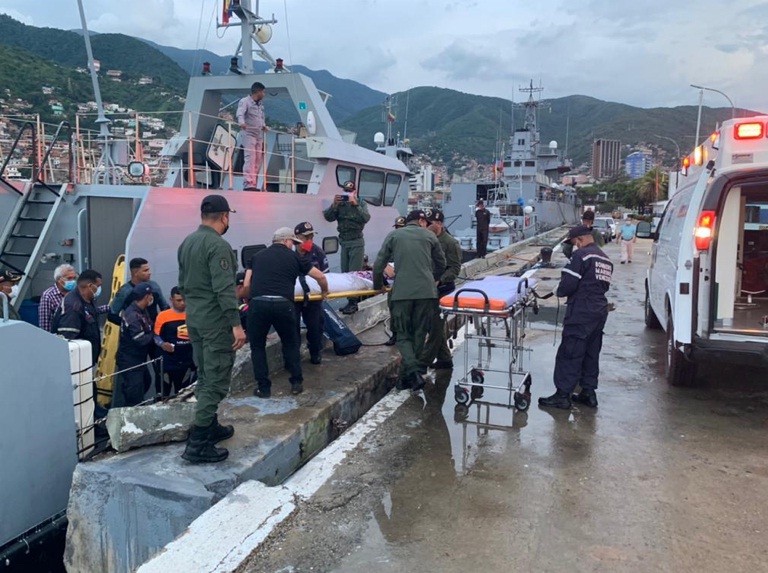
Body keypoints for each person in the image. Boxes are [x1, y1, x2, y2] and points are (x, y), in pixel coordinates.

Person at [177, 194, 246, 464]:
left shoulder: (187, 243)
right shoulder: (218, 246)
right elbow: (225, 290)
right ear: (225, 217)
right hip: (216, 323)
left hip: (195, 320)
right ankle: (198, 443)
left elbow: (183, 285)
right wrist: (236, 325)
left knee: (205, 374)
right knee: (215, 382)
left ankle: (211, 426)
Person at [244, 227, 329, 398]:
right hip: (283, 304)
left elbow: (246, 284)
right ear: (285, 241)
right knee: (291, 343)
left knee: (257, 346)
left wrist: (249, 300)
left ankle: (264, 388)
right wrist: (324, 292)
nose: (293, 245)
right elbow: (320, 276)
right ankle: (296, 383)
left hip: (258, 304)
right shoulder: (295, 257)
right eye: (292, 242)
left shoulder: (257, 256)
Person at [539, 225, 613, 409]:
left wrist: (560, 289)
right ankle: (588, 392)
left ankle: (563, 395)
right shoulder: (605, 259)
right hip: (599, 311)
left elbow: (567, 287)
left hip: (581, 311)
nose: (574, 246)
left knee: (570, 352)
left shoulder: (580, 256)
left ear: (579, 239)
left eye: (574, 243)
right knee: (590, 352)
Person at [373, 210, 446, 392]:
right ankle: (405, 380)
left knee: (404, 335)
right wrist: (431, 278)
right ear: (421, 221)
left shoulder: (395, 235)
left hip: (403, 293)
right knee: (419, 335)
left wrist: (378, 285)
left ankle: (412, 373)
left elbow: (379, 265)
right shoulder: (430, 237)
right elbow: (441, 263)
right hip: (427, 294)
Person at [420, 209, 462, 371]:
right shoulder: (424, 240)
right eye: (425, 223)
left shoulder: (450, 243)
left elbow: (455, 268)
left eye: (430, 223)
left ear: (439, 224)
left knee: (436, 328)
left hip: (442, 290)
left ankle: (422, 364)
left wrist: (440, 280)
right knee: (432, 326)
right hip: (427, 289)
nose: (427, 226)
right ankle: (445, 359)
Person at [323, 180, 371, 314]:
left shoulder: (360, 203)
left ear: (355, 192)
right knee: (345, 272)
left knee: (354, 273)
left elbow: (366, 218)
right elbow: (328, 217)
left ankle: (353, 302)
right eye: (345, 191)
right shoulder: (340, 204)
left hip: (356, 241)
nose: (347, 193)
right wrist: (334, 205)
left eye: (350, 191)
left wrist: (355, 204)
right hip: (344, 242)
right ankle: (349, 300)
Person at [293, 221, 330, 365]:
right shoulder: (289, 252)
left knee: (315, 326)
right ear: (296, 237)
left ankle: (315, 352)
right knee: (291, 327)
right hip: (294, 299)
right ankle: (293, 357)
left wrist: (324, 291)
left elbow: (326, 275)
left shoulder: (317, 253)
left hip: (313, 298)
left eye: (311, 237)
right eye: (305, 237)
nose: (309, 241)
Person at [113, 283, 155, 408]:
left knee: (146, 382)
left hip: (138, 360)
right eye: (150, 295)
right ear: (146, 296)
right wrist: (154, 334)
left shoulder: (141, 311)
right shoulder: (132, 315)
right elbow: (140, 340)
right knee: (134, 395)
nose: (152, 297)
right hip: (130, 360)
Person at [51, 269, 104, 367]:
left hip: (87, 359)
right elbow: (68, 340)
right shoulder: (73, 306)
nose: (100, 288)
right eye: (99, 285)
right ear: (90, 286)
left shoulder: (89, 300)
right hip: (77, 363)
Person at [154, 287, 196, 397]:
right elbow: (156, 336)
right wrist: (162, 344)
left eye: (184, 300)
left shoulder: (193, 315)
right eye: (178, 300)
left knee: (184, 396)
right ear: (171, 300)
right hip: (167, 363)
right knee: (163, 396)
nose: (182, 303)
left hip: (185, 361)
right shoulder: (163, 316)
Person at [108, 257, 169, 324]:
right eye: (145, 271)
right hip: (133, 332)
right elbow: (112, 315)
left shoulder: (154, 286)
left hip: (153, 331)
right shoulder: (125, 291)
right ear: (135, 273)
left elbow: (165, 308)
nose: (149, 273)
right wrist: (128, 325)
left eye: (148, 270)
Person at [237, 81, 268, 191]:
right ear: (258, 91)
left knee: (258, 158)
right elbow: (240, 113)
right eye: (263, 92)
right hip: (248, 132)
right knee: (250, 157)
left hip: (258, 133)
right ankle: (248, 183)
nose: (264, 94)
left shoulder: (260, 105)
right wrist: (242, 123)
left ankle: (253, 182)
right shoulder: (245, 101)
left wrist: (264, 126)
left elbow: (261, 117)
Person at [384, 215, 406, 346]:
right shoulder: (392, 241)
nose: (398, 230)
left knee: (405, 310)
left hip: (405, 281)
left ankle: (405, 335)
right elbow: (384, 258)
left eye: (401, 228)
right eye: (397, 228)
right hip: (393, 282)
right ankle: (395, 335)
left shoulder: (410, 243)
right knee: (393, 308)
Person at [38, 264, 78, 332]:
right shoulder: (48, 296)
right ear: (59, 280)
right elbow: (45, 324)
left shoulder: (77, 292)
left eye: (74, 278)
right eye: (69, 278)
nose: (73, 281)